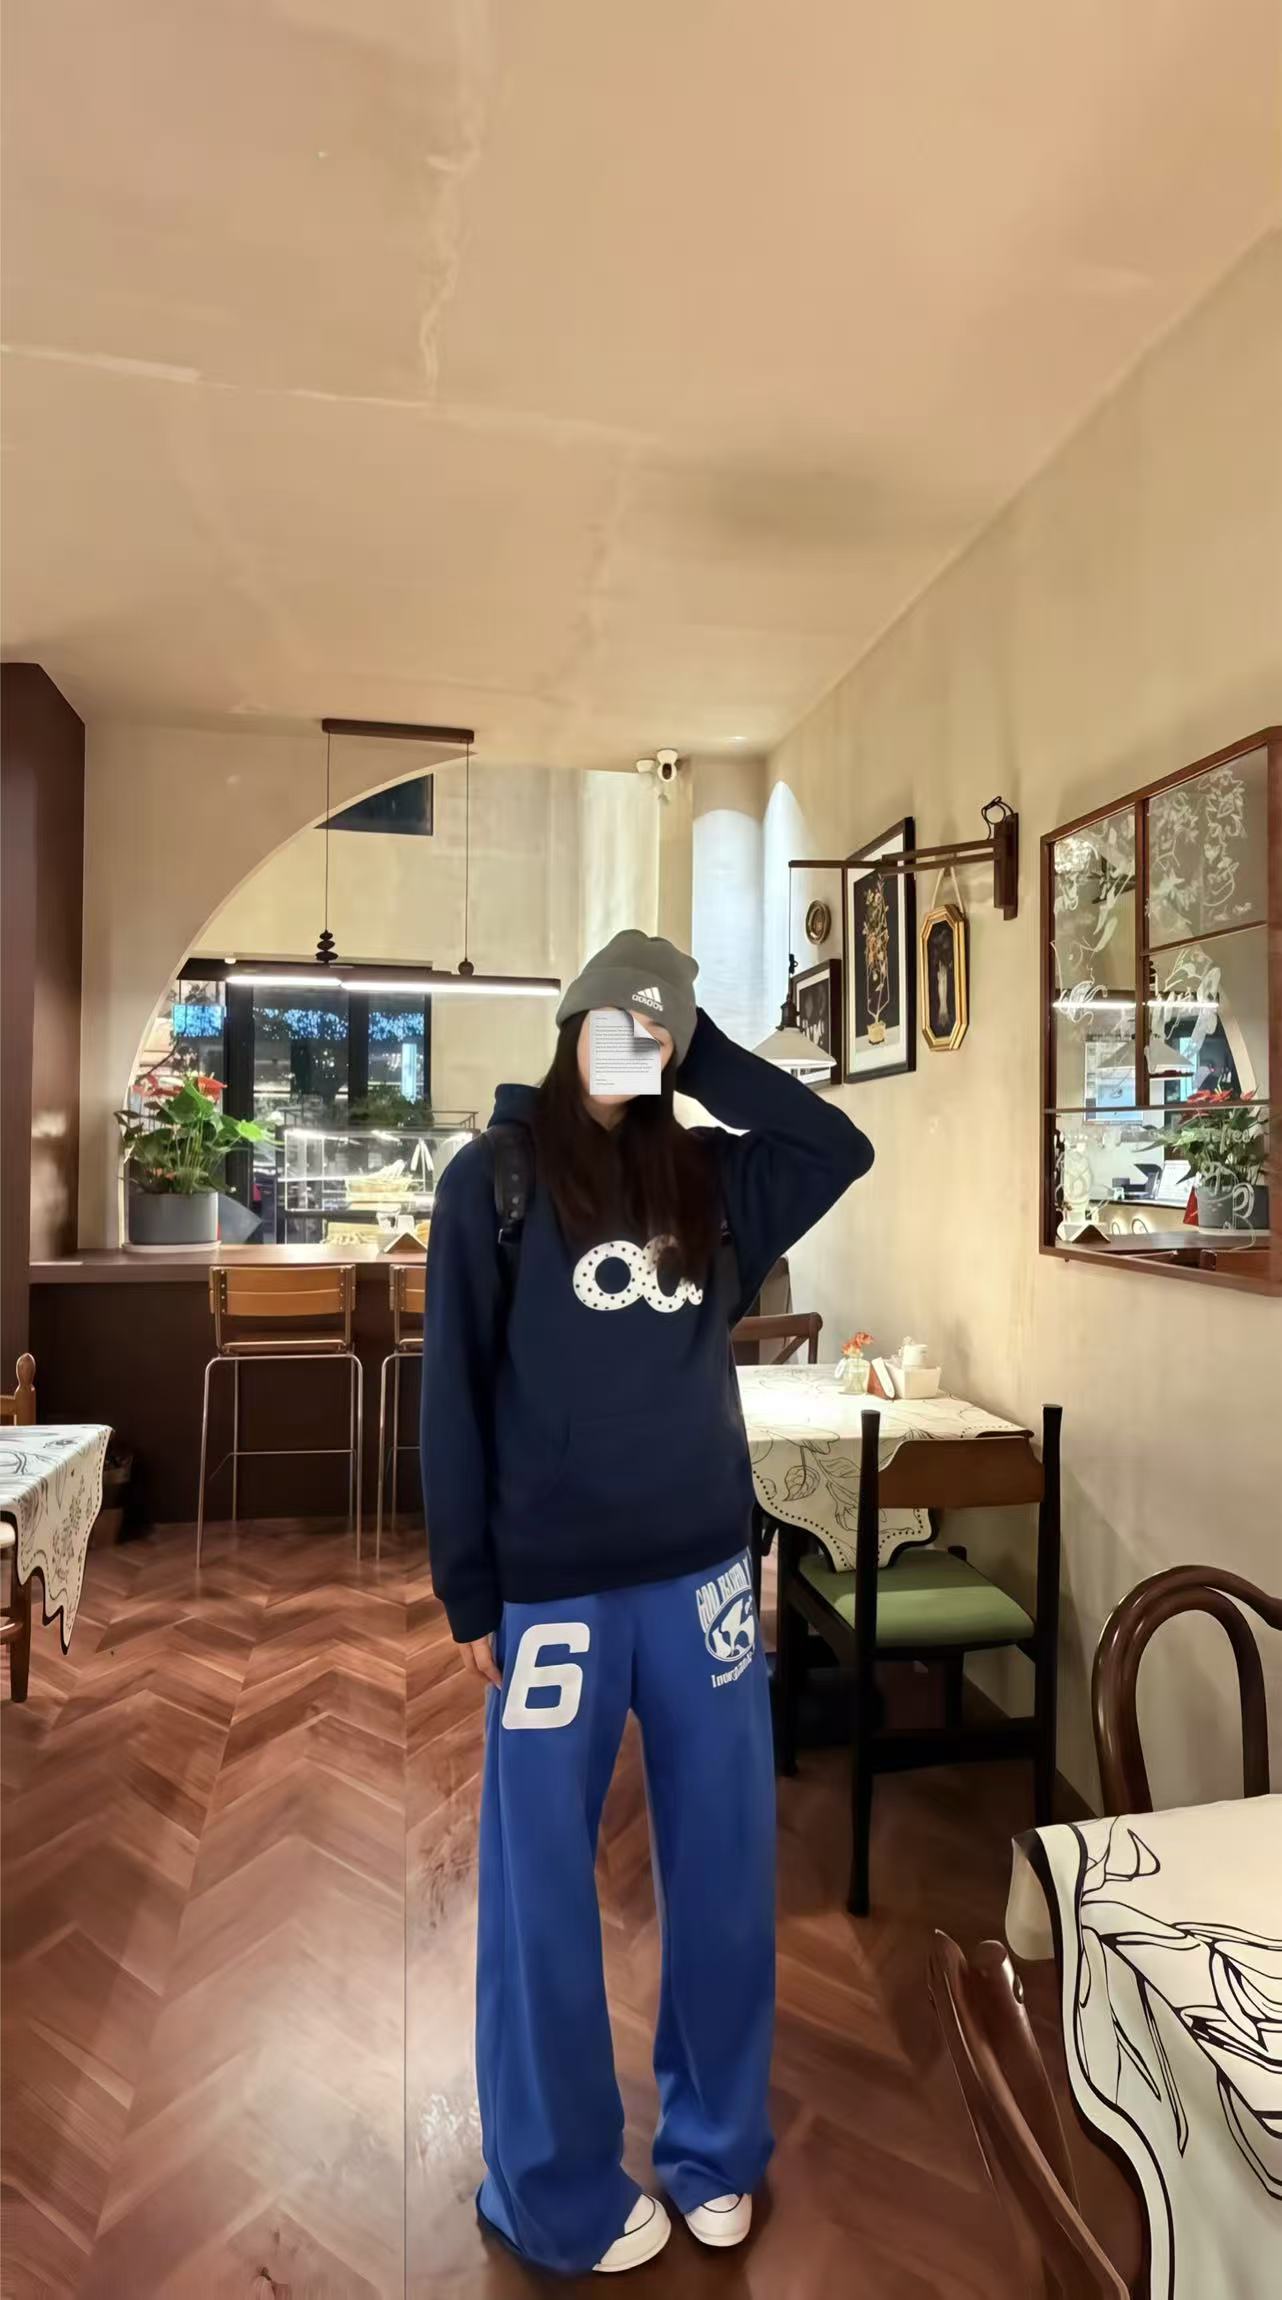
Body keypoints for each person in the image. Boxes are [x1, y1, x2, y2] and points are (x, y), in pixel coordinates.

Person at [421, 931, 873, 2276]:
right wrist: (469, 1593)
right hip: (554, 1591)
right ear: (568, 1025)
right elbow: (452, 1397)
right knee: (540, 1896)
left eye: (653, 1029)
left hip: (703, 1582)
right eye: (610, 1020)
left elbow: (837, 1144)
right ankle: (550, 2186)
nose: (629, 1041)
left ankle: (714, 2147)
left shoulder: (710, 1178)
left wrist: (703, 1045)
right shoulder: (493, 1182)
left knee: (725, 1871)